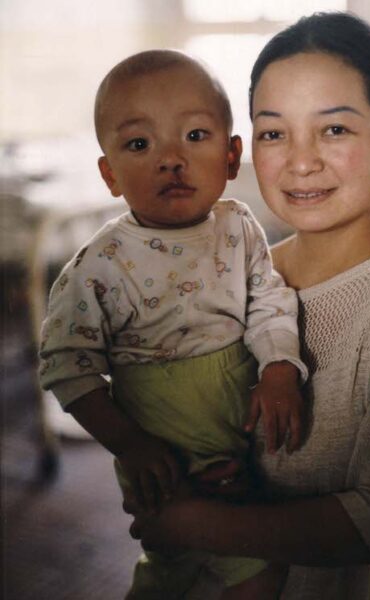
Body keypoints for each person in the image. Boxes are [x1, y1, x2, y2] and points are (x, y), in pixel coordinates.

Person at [126, 13, 370, 600]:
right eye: (273, 132)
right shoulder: (229, 277)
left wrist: (191, 520)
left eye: (334, 130)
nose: (301, 161)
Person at [38, 49, 309, 598]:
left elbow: (269, 300)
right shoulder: (100, 265)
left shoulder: (238, 229)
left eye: (195, 136)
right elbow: (67, 366)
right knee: (183, 566)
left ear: (232, 157)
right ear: (110, 174)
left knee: (253, 566)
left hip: (240, 435)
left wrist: (280, 367)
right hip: (162, 448)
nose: (170, 159)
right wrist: (130, 445)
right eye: (140, 145)